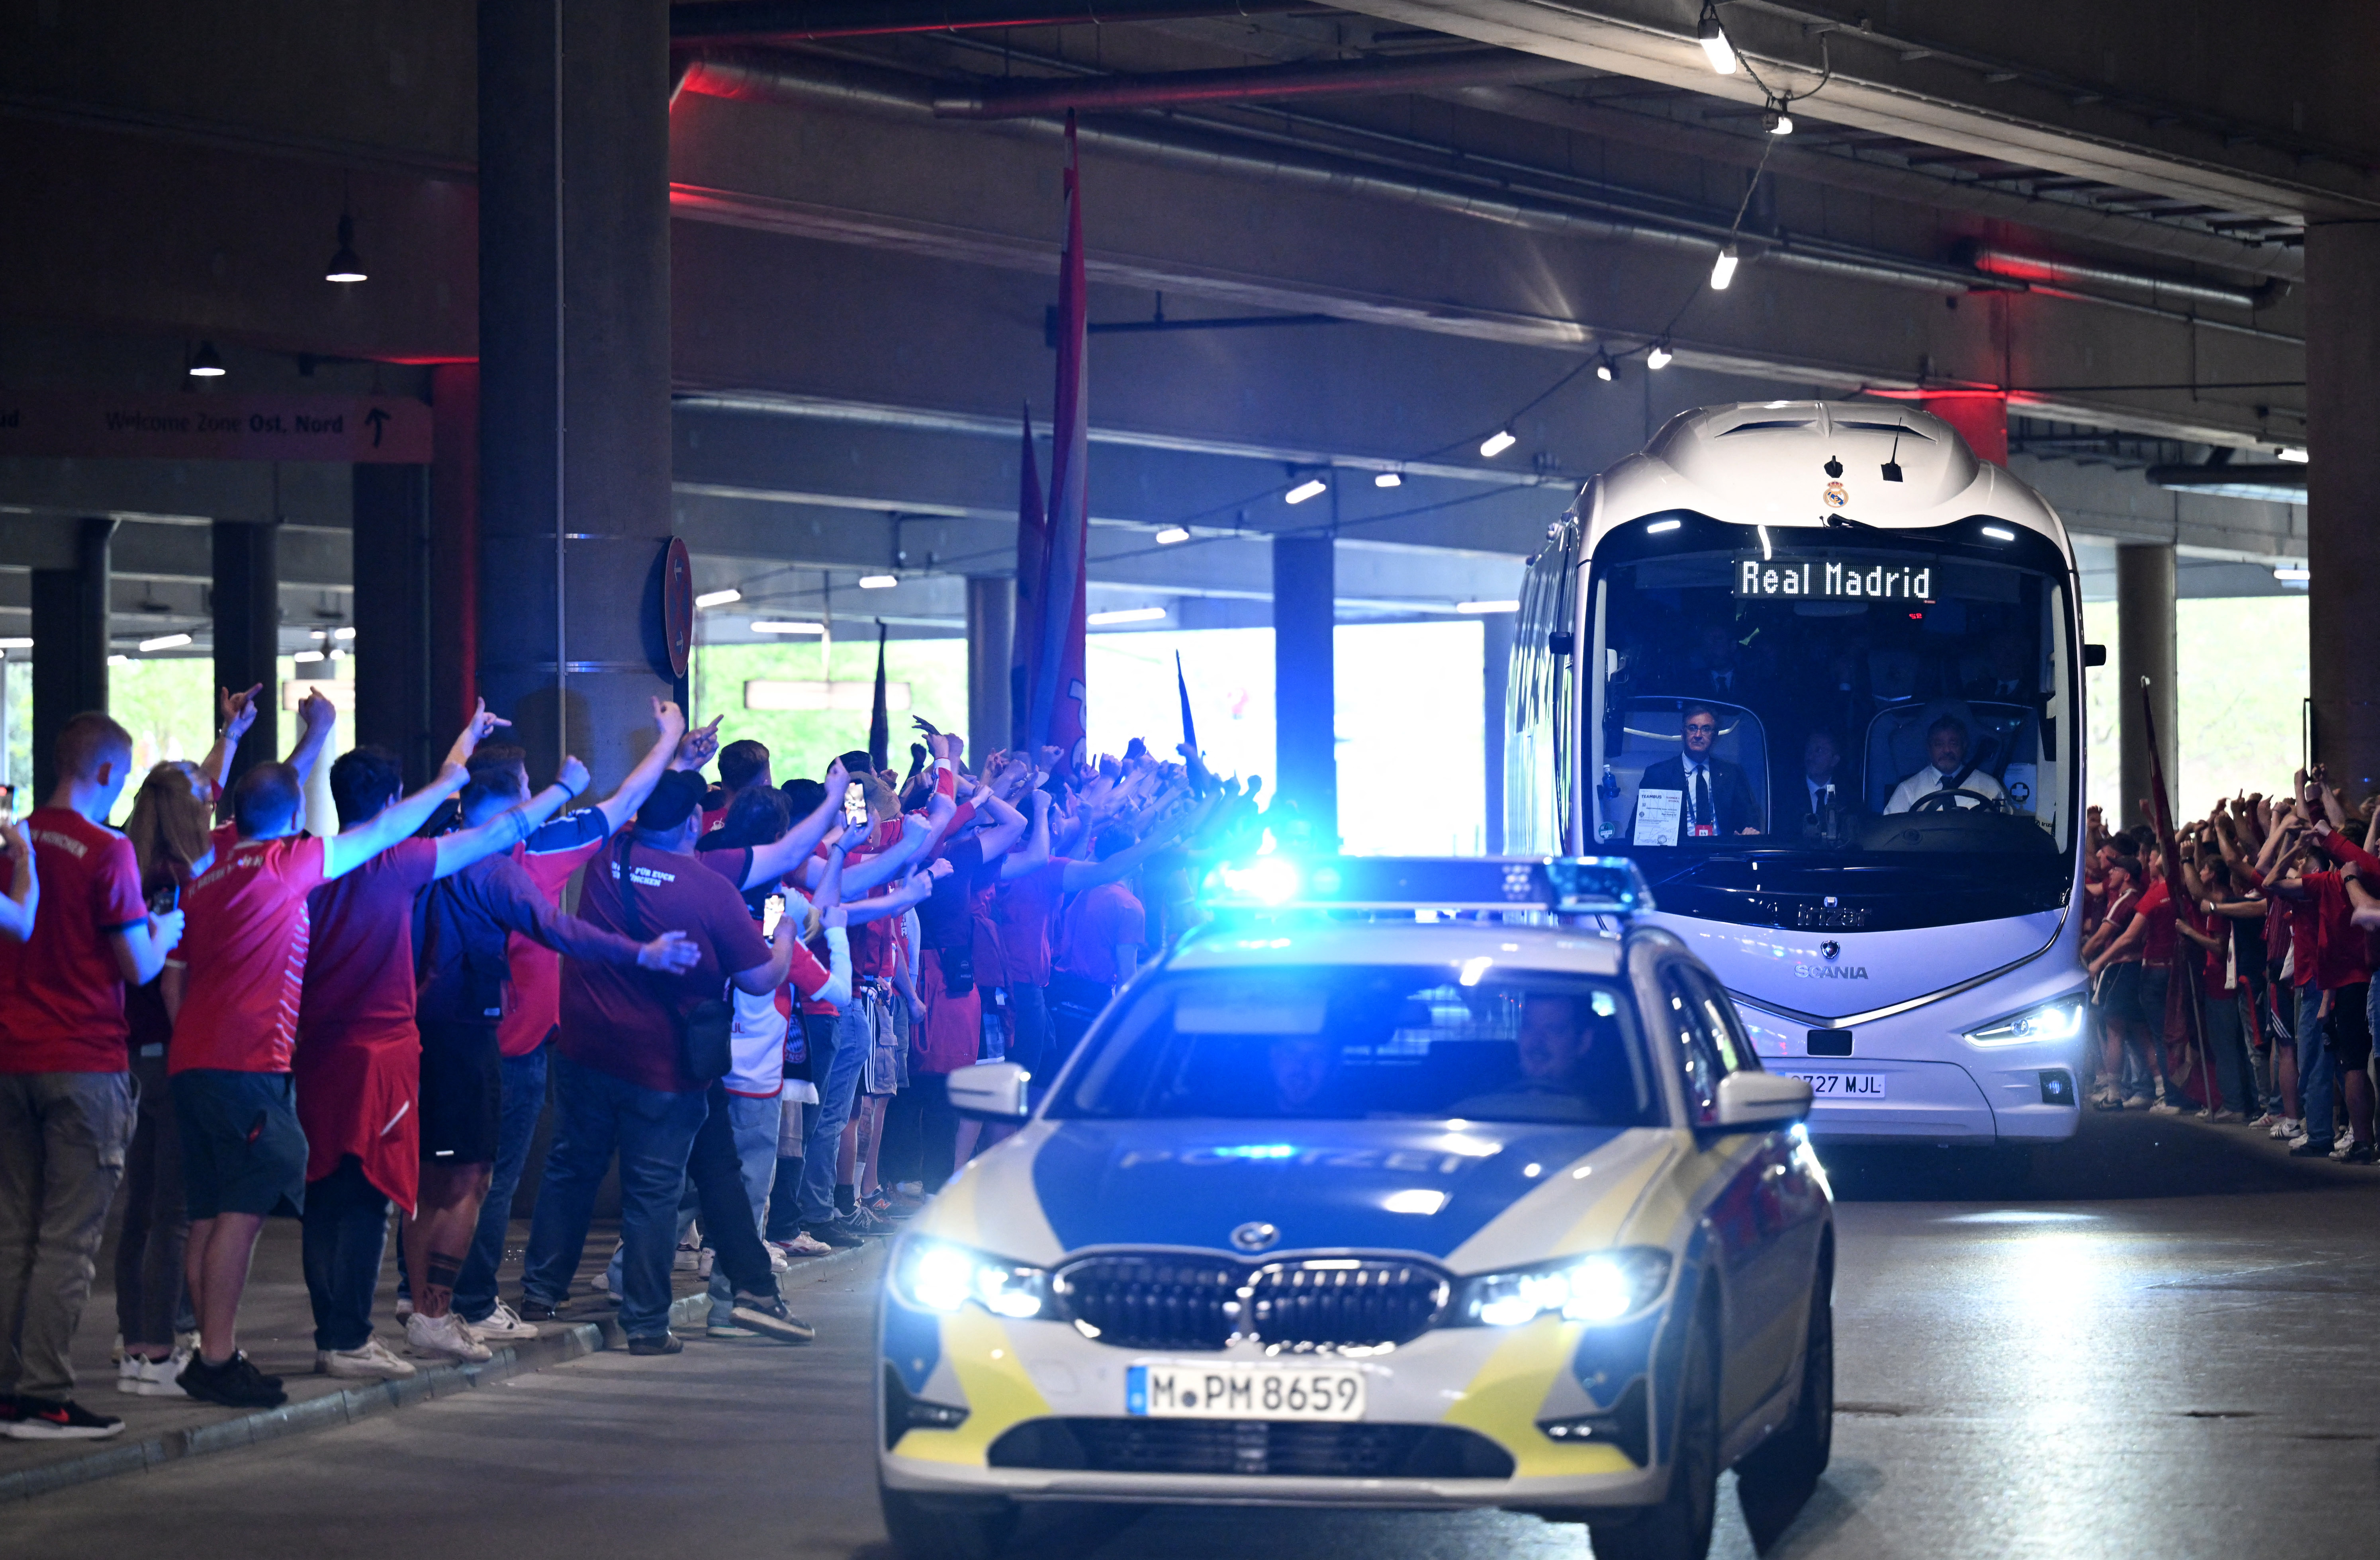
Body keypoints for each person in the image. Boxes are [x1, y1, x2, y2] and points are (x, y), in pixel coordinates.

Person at [166, 701, 507, 1409]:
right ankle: (265, 1350)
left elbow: (259, 795)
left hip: (211, 1058)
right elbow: (394, 827)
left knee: (218, 1212)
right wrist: (501, 782)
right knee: (262, 1209)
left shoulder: (213, 858)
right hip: (269, 1061)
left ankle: (209, 1351)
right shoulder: (298, 865)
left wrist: (285, 739)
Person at [515, 769, 818, 1355]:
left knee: (571, 1169)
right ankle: (650, 1324)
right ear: (691, 824)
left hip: (584, 1051)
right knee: (654, 1191)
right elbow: (760, 979)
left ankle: (540, 1291)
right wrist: (785, 937)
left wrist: (674, 750)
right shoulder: (711, 889)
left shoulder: (611, 854)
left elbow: (637, 800)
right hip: (665, 1067)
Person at [450, 704, 708, 1337]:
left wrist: (465, 742)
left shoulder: (440, 844)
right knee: (490, 1181)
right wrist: (669, 739)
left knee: (446, 1175)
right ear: (518, 798)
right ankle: (475, 1303)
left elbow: (450, 782)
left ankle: (424, 1294)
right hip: (515, 1046)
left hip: (445, 1038)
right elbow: (622, 804)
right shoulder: (534, 852)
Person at [0, 713, 146, 1441]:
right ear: (110, 773)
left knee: (11, 1232)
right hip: (84, 1064)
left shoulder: (14, 839)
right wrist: (167, 934)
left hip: (10, 1059)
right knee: (67, 1241)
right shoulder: (107, 851)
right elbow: (137, 965)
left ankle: (7, 1390)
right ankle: (46, 1396)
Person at [1634, 705, 1761, 837]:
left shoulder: (1732, 774)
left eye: (1706, 729)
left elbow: (1750, 821)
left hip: (1722, 854)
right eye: (1693, 728)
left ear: (1715, 736)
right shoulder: (1658, 775)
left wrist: (1750, 831)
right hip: (1677, 853)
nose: (1698, 735)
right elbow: (1637, 830)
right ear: (1683, 734)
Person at [1883, 714, 2006, 814]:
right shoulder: (1907, 791)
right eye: (1939, 745)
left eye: (1953, 744)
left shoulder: (1990, 787)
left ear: (1964, 746)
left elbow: (2006, 832)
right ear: (1929, 748)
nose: (1947, 750)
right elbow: (1892, 834)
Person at [1792, 729, 1851, 828]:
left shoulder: (1849, 796)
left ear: (1834, 760)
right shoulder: (1789, 794)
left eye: (1819, 750)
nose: (1811, 756)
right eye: (1808, 749)